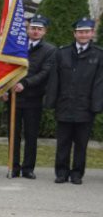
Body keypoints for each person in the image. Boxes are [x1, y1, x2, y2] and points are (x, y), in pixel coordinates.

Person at [45, 17, 103, 185]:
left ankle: (77, 173)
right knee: (63, 142)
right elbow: (54, 80)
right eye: (80, 32)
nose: (83, 35)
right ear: (74, 34)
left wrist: (96, 106)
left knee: (81, 143)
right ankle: (61, 172)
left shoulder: (99, 55)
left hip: (85, 107)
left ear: (92, 33)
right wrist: (51, 102)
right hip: (65, 104)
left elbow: (99, 83)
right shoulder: (62, 53)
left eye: (86, 32)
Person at [9, 15, 57, 179]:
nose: (35, 31)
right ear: (27, 29)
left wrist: (26, 84)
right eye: (33, 28)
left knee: (31, 135)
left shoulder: (50, 50)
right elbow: (8, 67)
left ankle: (28, 168)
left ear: (44, 31)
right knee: (14, 134)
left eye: (39, 29)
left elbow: (45, 72)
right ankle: (13, 166)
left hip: (33, 98)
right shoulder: (17, 46)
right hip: (14, 97)